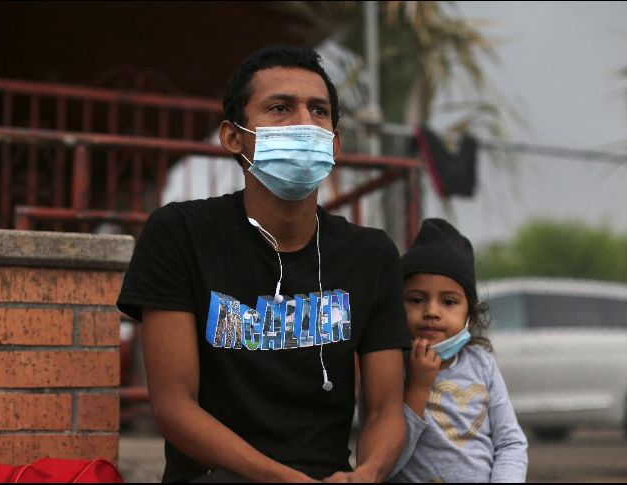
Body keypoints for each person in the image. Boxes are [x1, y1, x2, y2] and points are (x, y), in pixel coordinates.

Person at [117, 44, 411, 483]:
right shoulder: (181, 234)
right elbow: (174, 405)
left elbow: (387, 409)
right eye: (280, 107)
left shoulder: (372, 255)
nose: (304, 123)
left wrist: (366, 474)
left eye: (318, 111)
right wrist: (282, 480)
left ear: (335, 140)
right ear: (233, 136)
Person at [389, 219, 528, 483]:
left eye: (448, 302)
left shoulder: (482, 365)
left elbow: (510, 443)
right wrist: (417, 387)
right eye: (416, 300)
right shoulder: (389, 365)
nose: (431, 311)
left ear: (471, 316)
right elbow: (386, 463)